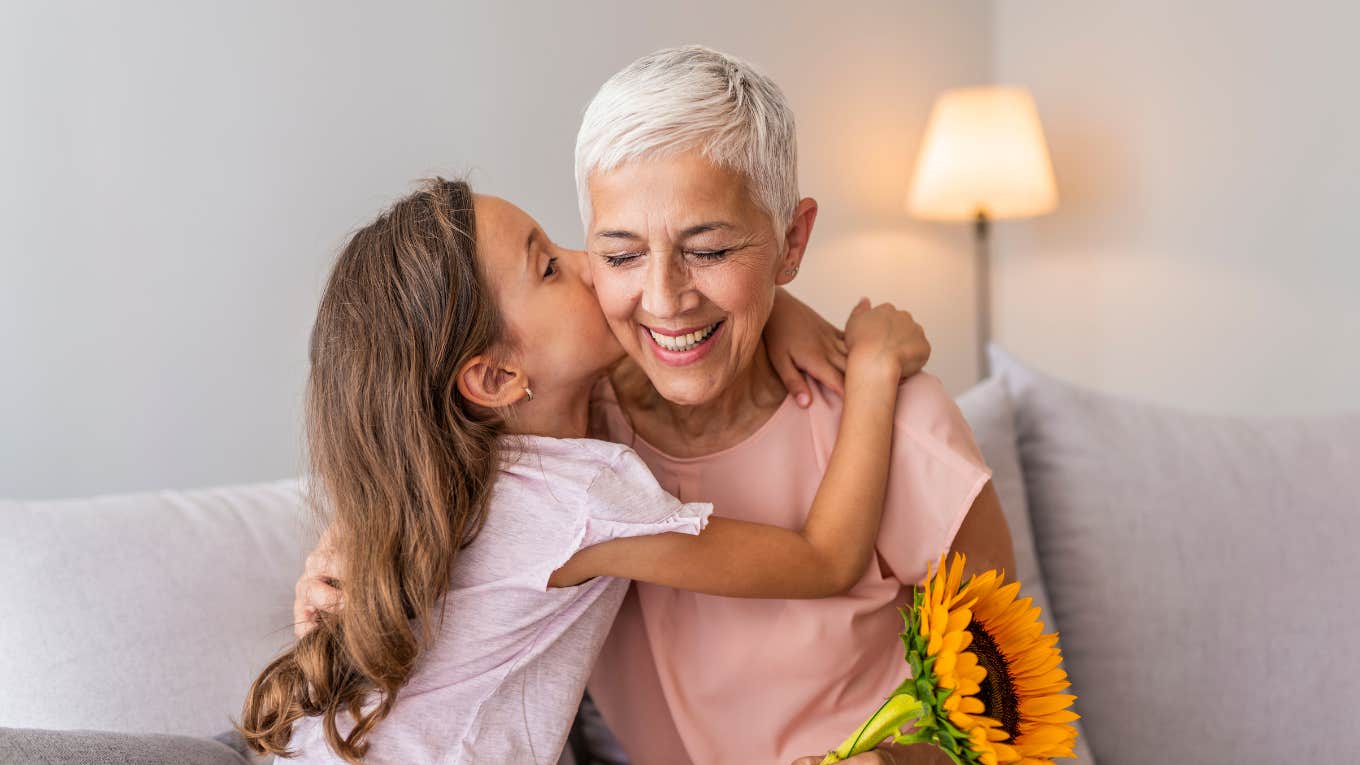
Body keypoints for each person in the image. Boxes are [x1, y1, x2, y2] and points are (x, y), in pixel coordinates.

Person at [299, 46, 1016, 764]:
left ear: (790, 240)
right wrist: (339, 563)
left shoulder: (898, 427)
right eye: (617, 256)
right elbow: (823, 557)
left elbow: (1003, 713)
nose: (664, 299)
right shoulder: (576, 444)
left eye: (708, 250)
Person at [243, 177, 935, 764]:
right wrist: (871, 375)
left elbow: (677, 324)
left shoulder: (476, 459)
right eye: (547, 267)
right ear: (495, 376)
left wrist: (777, 308)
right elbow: (823, 559)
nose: (590, 261)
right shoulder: (574, 502)